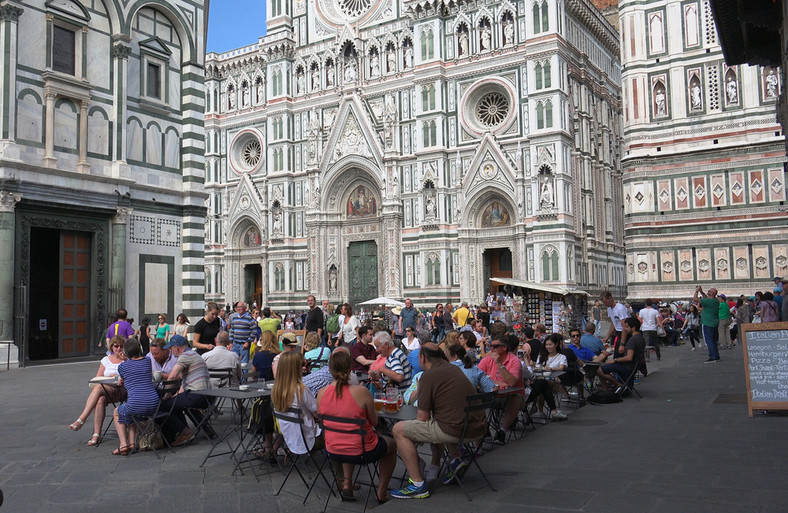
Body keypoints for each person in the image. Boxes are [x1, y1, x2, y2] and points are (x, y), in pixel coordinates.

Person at [390, 343, 487, 499]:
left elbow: (422, 418)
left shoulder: (428, 376)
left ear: (422, 358)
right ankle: (454, 461)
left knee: (398, 429)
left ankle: (417, 484)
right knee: (440, 418)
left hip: (457, 430)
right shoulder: (453, 369)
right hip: (477, 427)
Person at [318, 348, 397, 503]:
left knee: (349, 438)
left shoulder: (321, 393)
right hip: (362, 450)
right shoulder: (361, 392)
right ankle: (381, 493)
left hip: (332, 448)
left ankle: (347, 484)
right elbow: (374, 422)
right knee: (392, 444)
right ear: (350, 369)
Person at [69, 336, 128, 446]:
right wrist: (110, 378)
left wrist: (125, 361)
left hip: (121, 390)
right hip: (107, 388)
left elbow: (131, 375)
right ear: (111, 347)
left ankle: (82, 419)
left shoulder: (126, 360)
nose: (118, 348)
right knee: (100, 399)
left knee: (99, 389)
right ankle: (96, 434)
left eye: (121, 346)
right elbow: (98, 378)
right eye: (116, 346)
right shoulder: (106, 360)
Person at [160, 335, 213, 446]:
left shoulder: (185, 356)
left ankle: (184, 432)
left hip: (196, 395)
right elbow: (187, 380)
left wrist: (167, 395)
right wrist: (177, 394)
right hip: (207, 395)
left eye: (171, 348)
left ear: (177, 348)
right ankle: (204, 428)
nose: (170, 350)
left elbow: (172, 376)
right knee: (177, 401)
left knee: (165, 405)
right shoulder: (194, 354)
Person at [111, 338, 159, 455]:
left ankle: (123, 444)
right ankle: (132, 443)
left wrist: (124, 360)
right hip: (154, 404)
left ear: (126, 351)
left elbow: (123, 377)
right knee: (131, 412)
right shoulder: (147, 361)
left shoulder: (122, 367)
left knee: (117, 412)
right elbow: (136, 365)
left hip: (136, 404)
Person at [272, 351, 322, 458]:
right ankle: (344, 473)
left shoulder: (277, 389)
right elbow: (318, 413)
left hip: (289, 438)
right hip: (308, 439)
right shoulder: (301, 389)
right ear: (295, 368)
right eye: (301, 365)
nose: (304, 368)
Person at [478, 334, 525, 435]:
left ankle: (502, 431)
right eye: (490, 346)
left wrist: (499, 364)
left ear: (504, 347)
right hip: (492, 395)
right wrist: (494, 381)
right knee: (475, 400)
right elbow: (477, 376)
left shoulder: (514, 361)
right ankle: (484, 431)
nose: (492, 348)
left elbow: (511, 382)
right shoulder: (487, 360)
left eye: (495, 346)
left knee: (515, 398)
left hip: (510, 396)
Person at [597, 316, 646, 391]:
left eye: (626, 327)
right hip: (634, 366)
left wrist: (615, 360)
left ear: (633, 328)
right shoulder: (640, 338)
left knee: (600, 369)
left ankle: (619, 385)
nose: (625, 329)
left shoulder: (632, 340)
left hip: (628, 367)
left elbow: (629, 357)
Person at [695, 286, 721, 363]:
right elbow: (706, 297)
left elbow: (695, 299)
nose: (708, 291)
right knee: (713, 340)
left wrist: (696, 291)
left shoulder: (709, 301)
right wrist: (701, 291)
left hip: (708, 322)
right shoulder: (715, 301)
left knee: (709, 340)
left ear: (712, 293)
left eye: (709, 291)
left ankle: (713, 357)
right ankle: (716, 355)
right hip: (714, 322)